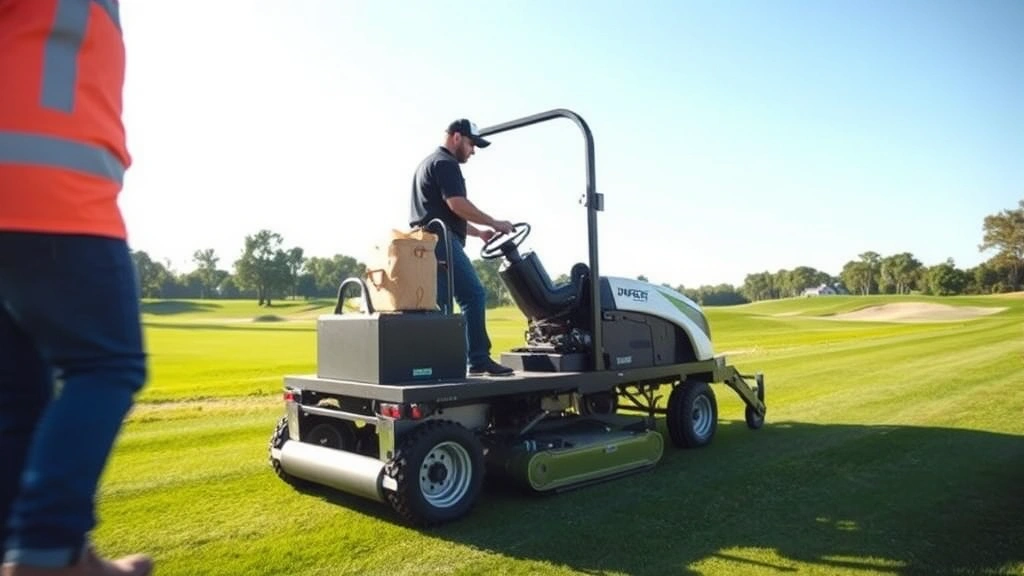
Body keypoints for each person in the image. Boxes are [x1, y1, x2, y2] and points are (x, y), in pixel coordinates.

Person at [0, 1, 153, 575]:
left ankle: (28, 548)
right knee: (107, 367)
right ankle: (47, 551)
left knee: (20, 397)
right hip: (53, 194)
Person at [410, 119, 517, 377]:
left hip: (428, 241)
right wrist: (495, 222)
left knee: (442, 304)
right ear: (456, 137)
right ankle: (477, 359)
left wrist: (478, 232)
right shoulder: (446, 163)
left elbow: (443, 213)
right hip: (440, 242)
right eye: (471, 144)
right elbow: (457, 204)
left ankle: (438, 364)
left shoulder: (428, 163)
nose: (473, 150)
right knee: (473, 295)